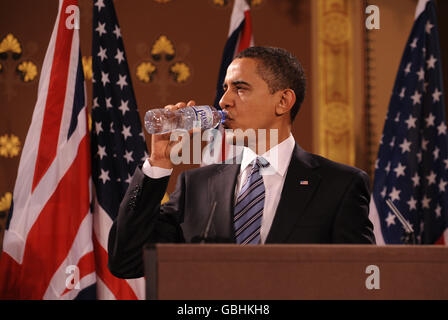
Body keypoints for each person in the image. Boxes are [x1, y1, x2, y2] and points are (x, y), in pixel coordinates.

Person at [107, 46, 375, 279]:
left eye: (240, 88)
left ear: (283, 101)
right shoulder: (197, 185)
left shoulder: (339, 185)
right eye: (225, 89)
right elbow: (126, 262)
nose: (223, 101)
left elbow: (359, 279)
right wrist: (159, 162)